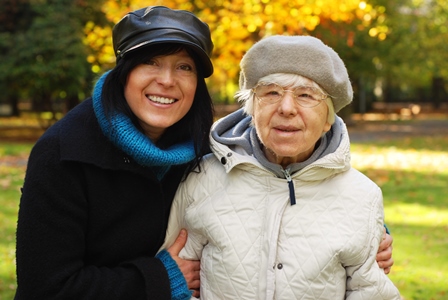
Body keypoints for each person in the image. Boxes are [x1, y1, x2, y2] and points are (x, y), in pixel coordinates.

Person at [161, 35, 401, 299]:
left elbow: (370, 291)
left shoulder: (362, 196)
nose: (287, 108)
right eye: (272, 93)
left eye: (306, 95)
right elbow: (178, 281)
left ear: (328, 120)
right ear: (252, 111)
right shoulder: (202, 177)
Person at [15, 6, 214, 299]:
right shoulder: (63, 153)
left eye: (184, 67)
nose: (168, 80)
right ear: (124, 73)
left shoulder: (208, 154)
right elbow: (46, 287)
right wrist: (159, 281)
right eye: (150, 62)